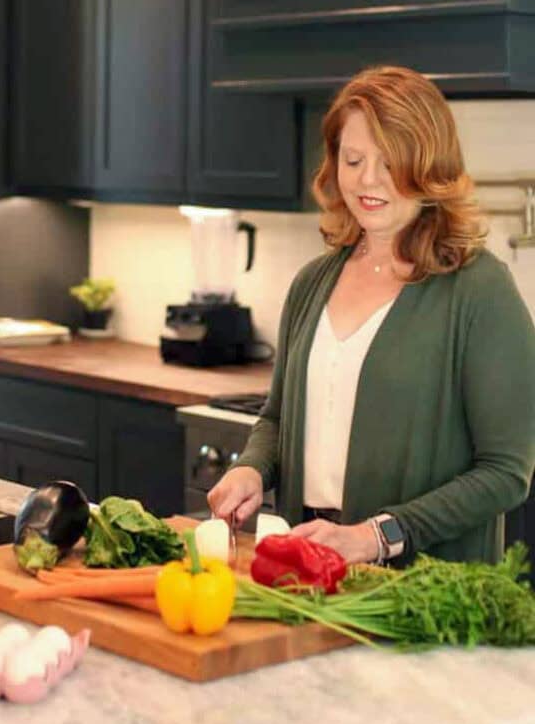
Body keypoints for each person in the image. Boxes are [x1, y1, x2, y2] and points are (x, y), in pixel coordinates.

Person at [208, 64, 535, 567]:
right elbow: (276, 420)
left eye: (390, 163)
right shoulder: (312, 283)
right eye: (353, 159)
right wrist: (251, 470)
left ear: (428, 167)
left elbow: (506, 470)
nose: (367, 180)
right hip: (307, 567)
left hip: (422, 591)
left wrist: (379, 535)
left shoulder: (479, 290)